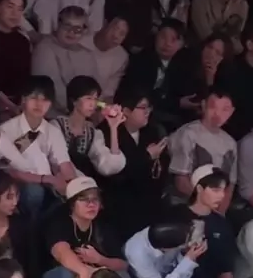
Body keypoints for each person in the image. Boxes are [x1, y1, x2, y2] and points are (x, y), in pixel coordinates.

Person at [42, 176, 132, 278]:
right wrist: (83, 270)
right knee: (65, 275)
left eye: (95, 199)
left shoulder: (102, 225)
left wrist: (100, 259)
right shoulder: (60, 221)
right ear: (72, 204)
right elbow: (60, 251)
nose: (91, 204)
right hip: (62, 274)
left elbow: (123, 264)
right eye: (84, 199)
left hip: (95, 273)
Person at [0, 74, 75, 216]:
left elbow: (64, 164)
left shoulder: (53, 131)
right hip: (18, 185)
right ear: (23, 99)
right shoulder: (7, 130)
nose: (39, 104)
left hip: (49, 185)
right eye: (34, 98)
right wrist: (44, 179)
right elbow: (8, 171)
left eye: (45, 99)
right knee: (34, 192)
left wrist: (74, 186)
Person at [171, 165, 237, 278]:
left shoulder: (221, 223)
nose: (221, 196)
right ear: (199, 188)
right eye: (215, 190)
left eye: (223, 190)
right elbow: (170, 265)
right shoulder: (176, 216)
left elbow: (225, 267)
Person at [99, 88, 168, 242]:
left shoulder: (152, 132)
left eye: (149, 107)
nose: (147, 112)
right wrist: (146, 157)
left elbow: (159, 172)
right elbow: (117, 175)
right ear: (126, 111)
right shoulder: (107, 133)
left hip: (149, 202)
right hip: (119, 204)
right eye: (142, 107)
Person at [168, 88, 237, 209]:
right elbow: (181, 180)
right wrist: (204, 202)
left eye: (225, 109)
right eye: (213, 107)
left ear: (232, 112)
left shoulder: (231, 143)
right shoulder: (188, 134)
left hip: (215, 208)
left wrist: (220, 212)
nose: (218, 113)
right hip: (185, 205)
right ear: (204, 105)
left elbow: (230, 185)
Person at [117, 19, 187, 128]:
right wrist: (176, 103)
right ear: (156, 36)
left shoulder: (183, 65)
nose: (167, 43)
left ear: (181, 43)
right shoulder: (141, 60)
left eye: (173, 39)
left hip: (167, 116)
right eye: (163, 37)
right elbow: (142, 95)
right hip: (136, 112)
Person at [53, 75, 126, 177]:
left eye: (95, 99)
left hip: (84, 183)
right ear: (74, 101)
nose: (93, 104)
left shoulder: (92, 133)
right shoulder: (56, 126)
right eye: (88, 98)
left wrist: (113, 128)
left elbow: (108, 167)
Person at [31, 5, 99, 113]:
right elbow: (51, 91)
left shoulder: (87, 55)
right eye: (67, 26)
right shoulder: (44, 48)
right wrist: (79, 108)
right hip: (51, 115)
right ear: (58, 24)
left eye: (77, 29)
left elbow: (95, 91)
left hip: (83, 114)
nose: (71, 32)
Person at [125, 221, 206, 278]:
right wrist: (188, 261)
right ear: (165, 249)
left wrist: (185, 253)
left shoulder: (168, 232)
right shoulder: (139, 257)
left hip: (174, 270)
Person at [172, 34, 231, 124]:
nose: (211, 53)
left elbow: (215, 109)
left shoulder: (223, 77)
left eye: (218, 53)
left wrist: (210, 80)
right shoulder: (186, 59)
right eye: (210, 47)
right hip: (175, 114)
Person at [90, 17, 129, 103]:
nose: (116, 36)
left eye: (122, 34)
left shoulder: (121, 57)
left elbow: (108, 95)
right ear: (105, 24)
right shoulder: (81, 41)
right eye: (114, 29)